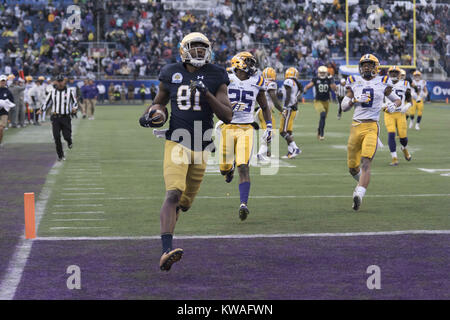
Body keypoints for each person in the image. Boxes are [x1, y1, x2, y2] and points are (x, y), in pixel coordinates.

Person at [138, 32, 232, 272]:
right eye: (195, 47)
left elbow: (227, 115)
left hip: (202, 146)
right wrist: (153, 115)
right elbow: (159, 102)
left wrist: (207, 94)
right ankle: (165, 251)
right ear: (184, 49)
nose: (200, 51)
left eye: (203, 47)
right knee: (172, 193)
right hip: (177, 142)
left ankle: (168, 237)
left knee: (184, 203)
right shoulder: (171, 72)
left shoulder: (217, 74)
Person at [341, 54, 402, 211]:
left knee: (366, 162)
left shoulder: (383, 81)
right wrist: (354, 100)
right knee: (352, 168)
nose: (366, 67)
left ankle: (359, 194)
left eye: (370, 64)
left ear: (376, 67)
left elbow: (397, 100)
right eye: (364, 65)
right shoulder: (353, 81)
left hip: (371, 127)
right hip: (356, 127)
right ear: (360, 67)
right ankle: (360, 182)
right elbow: (343, 106)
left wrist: (394, 106)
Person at [219, 51, 272, 221]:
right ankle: (229, 169)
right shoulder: (225, 77)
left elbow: (264, 106)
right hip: (227, 126)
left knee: (244, 166)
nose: (251, 66)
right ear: (238, 63)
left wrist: (268, 126)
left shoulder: (257, 81)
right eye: (248, 62)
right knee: (224, 169)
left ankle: (243, 204)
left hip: (246, 128)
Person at [37, 75, 78, 161]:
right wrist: (41, 109)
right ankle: (60, 155)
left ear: (64, 81)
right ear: (56, 82)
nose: (60, 83)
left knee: (66, 136)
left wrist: (75, 108)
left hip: (65, 117)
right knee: (56, 137)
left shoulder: (69, 91)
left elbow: (74, 102)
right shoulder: (52, 92)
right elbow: (47, 102)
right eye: (58, 81)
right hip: (55, 117)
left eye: (61, 81)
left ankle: (69, 141)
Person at [383, 67, 413, 166]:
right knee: (391, 134)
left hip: (400, 114)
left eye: (396, 72)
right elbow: (379, 98)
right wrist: (382, 105)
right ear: (388, 73)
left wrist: (408, 105)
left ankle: (404, 148)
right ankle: (394, 157)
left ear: (399, 74)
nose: (394, 74)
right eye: (392, 72)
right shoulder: (383, 83)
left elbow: (409, 99)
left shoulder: (405, 84)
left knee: (403, 138)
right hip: (389, 114)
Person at [256, 67, 284, 162]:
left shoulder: (261, 82)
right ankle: (261, 153)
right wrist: (281, 109)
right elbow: (274, 99)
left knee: (267, 133)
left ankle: (265, 152)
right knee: (270, 133)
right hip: (266, 112)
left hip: (261, 111)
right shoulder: (272, 84)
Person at [303, 66, 337, 140]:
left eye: (323, 73)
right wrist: (305, 89)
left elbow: (334, 89)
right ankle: (322, 134)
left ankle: (319, 131)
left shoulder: (329, 79)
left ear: (326, 73)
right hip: (318, 101)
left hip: (326, 101)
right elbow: (308, 85)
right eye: (321, 73)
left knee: (323, 118)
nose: (322, 74)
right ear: (318, 72)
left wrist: (332, 80)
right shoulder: (315, 79)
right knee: (323, 114)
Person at [279, 67, 302, 158]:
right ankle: (290, 152)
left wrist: (284, 107)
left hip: (288, 109)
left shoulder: (288, 81)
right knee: (288, 131)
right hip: (293, 108)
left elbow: (288, 96)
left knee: (282, 131)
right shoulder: (296, 83)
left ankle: (295, 148)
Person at [0, 74, 15, 146]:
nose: (2, 82)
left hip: (4, 112)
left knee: (1, 128)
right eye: (1, 81)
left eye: (4, 81)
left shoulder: (8, 91)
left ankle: (0, 141)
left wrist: (6, 104)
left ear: (6, 82)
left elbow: (12, 102)